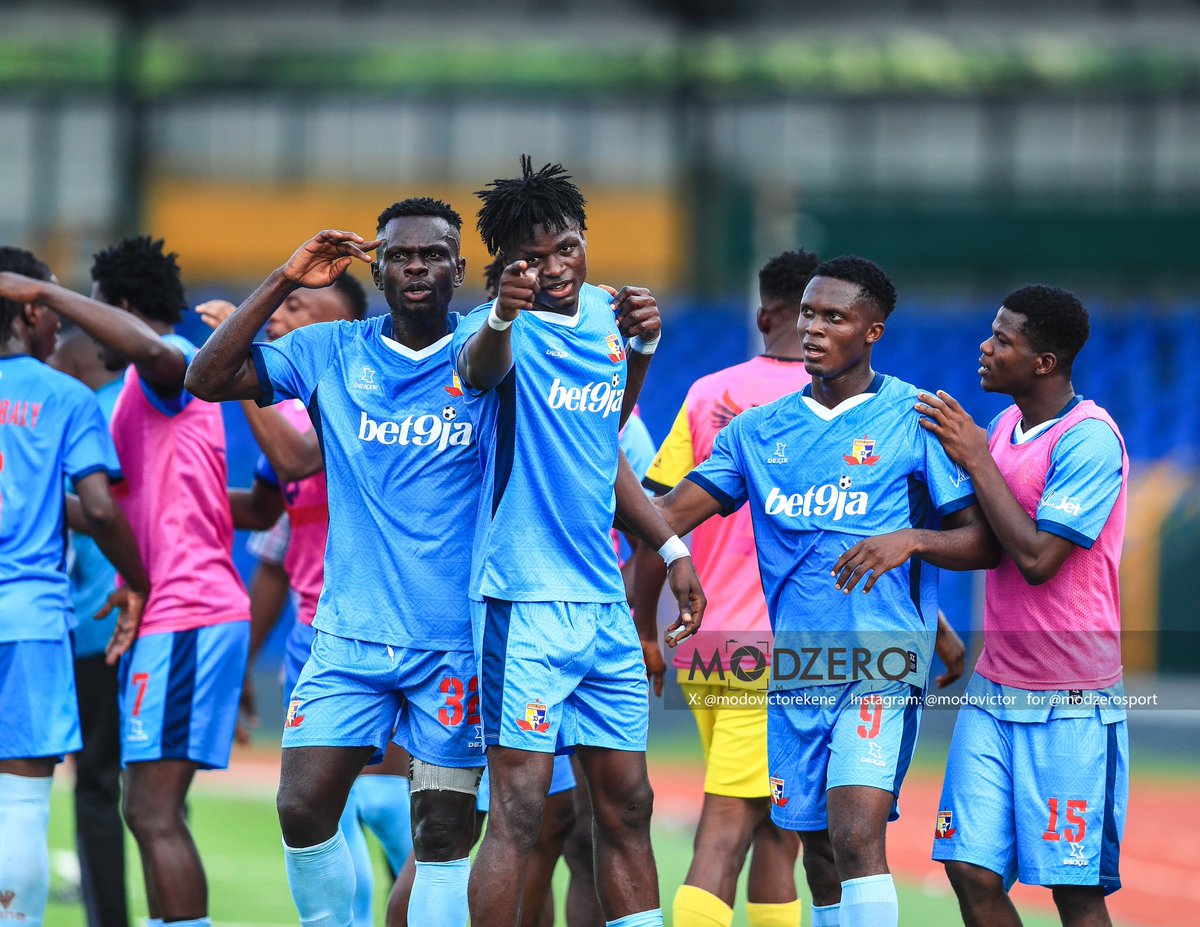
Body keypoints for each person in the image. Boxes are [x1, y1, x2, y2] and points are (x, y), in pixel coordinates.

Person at [648, 255, 997, 927]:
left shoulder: (913, 418)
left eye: (834, 317)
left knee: (856, 833)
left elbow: (981, 542)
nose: (813, 328)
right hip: (797, 669)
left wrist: (914, 540)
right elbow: (667, 513)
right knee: (818, 852)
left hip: (881, 663)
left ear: (873, 331)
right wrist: (670, 551)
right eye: (808, 313)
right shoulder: (754, 432)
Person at [185, 200, 487, 927]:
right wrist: (284, 277)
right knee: (300, 803)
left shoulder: (488, 350)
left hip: (456, 641)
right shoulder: (333, 351)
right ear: (377, 267)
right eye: (402, 255)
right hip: (348, 634)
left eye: (435, 254)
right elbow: (206, 376)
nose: (418, 265)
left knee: (442, 832)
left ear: (459, 267)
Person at [452, 156, 706, 927]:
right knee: (522, 813)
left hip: (599, 605)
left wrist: (671, 550)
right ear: (505, 266)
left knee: (627, 805)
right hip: (522, 603)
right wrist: (501, 313)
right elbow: (477, 368)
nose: (553, 267)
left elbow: (605, 451)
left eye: (565, 246)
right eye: (531, 257)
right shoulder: (492, 324)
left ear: (585, 238)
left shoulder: (609, 317)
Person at [920, 286, 1129, 927]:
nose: (985, 347)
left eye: (1003, 339)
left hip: (1072, 700)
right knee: (968, 870)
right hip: (995, 687)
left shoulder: (1090, 441)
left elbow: (1038, 561)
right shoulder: (1008, 426)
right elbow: (987, 541)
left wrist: (976, 458)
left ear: (1044, 361)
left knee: (1074, 892)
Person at [633, 249, 820, 927]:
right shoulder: (833, 401)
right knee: (729, 826)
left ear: (763, 313)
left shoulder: (708, 392)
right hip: (776, 649)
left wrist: (645, 625)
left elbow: (656, 514)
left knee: (776, 828)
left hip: (706, 640)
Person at [0, 247, 149, 927]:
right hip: (29, 618)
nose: (63, 327)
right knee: (23, 801)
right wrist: (140, 578)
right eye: (54, 308)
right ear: (30, 309)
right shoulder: (65, 396)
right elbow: (97, 507)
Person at [49, 327, 132, 927]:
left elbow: (100, 511)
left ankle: (108, 918)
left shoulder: (79, 409)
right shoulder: (138, 399)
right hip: (145, 618)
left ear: (76, 356)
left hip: (93, 621)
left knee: (94, 784)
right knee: (149, 787)